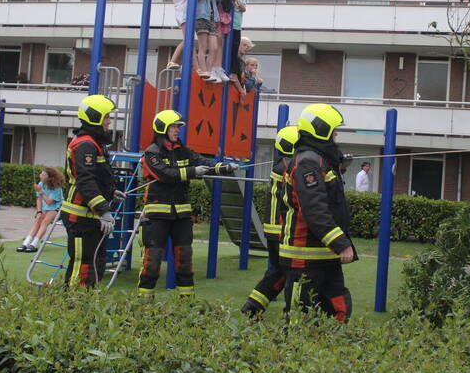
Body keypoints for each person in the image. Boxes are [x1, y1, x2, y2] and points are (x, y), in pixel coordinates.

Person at [138, 109, 237, 299]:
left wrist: (224, 168)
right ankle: (144, 304)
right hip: (157, 215)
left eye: (178, 127)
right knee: (152, 262)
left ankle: (186, 305)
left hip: (182, 216)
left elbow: (204, 163)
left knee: (184, 260)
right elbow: (166, 174)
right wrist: (192, 171)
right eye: (173, 127)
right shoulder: (152, 153)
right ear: (163, 128)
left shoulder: (184, 151)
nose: (177, 130)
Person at [280, 103, 356, 322]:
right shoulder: (307, 163)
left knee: (338, 308)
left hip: (323, 253)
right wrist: (340, 242)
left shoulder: (319, 160)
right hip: (305, 255)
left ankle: (328, 353)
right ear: (321, 130)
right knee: (299, 316)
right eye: (334, 131)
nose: (336, 136)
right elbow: (315, 210)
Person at [59, 95, 124, 287]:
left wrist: (110, 193)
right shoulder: (86, 144)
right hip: (80, 217)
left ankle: (85, 306)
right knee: (83, 265)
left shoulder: (94, 143)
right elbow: (86, 180)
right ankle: (72, 307)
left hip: (89, 216)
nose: (109, 122)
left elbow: (97, 177)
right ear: (95, 117)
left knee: (95, 264)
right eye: (106, 117)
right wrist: (104, 210)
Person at [241, 125, 299, 317]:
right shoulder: (289, 167)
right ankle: (292, 314)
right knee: (292, 273)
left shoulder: (281, 164)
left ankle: (252, 307)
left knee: (277, 272)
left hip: (273, 229)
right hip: (281, 230)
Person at [17, 166, 65, 253]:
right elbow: (39, 199)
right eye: (41, 174)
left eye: (43, 175)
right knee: (38, 221)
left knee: (44, 222)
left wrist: (40, 191)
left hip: (57, 209)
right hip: (45, 208)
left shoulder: (57, 187)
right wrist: (39, 211)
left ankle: (34, 244)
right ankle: (26, 243)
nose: (40, 176)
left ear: (49, 178)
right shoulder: (41, 184)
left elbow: (49, 202)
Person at [195, 0, 224, 82]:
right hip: (202, 18)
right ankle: (203, 70)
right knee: (203, 46)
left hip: (212, 19)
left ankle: (210, 70)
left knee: (214, 48)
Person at [164, 0, 189, 70]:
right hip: (184, 12)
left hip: (179, 12)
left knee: (188, 39)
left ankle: (185, 62)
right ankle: (172, 61)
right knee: (187, 39)